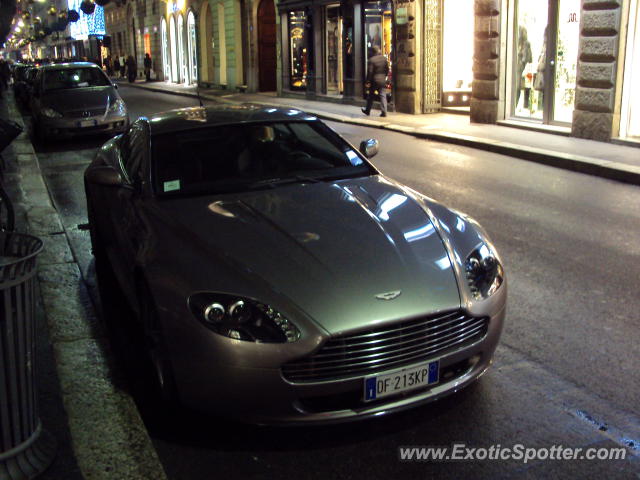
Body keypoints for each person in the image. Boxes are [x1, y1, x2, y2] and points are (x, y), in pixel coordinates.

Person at [361, 46, 389, 117]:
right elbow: (387, 69)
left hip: (374, 80)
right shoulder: (384, 58)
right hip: (382, 80)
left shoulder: (371, 60)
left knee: (370, 96)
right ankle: (384, 112)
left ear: (373, 52)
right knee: (383, 96)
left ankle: (367, 110)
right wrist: (384, 76)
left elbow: (370, 72)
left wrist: (368, 81)